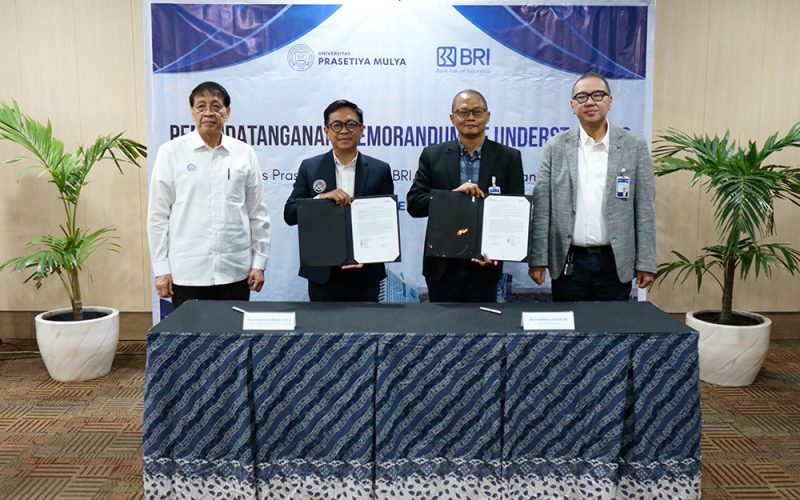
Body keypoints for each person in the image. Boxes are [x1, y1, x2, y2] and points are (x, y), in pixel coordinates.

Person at [528, 72, 656, 301]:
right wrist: (537, 259)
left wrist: (646, 262)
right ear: (572, 105)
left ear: (610, 101)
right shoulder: (556, 147)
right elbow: (542, 209)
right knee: (569, 323)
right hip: (569, 262)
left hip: (615, 261)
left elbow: (645, 209)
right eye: (582, 97)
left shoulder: (634, 146)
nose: (589, 102)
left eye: (598, 95)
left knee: (612, 323)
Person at [147, 81, 271, 309]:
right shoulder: (171, 152)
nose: (208, 113)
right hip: (188, 272)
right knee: (190, 332)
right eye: (201, 106)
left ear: (227, 112)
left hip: (235, 270)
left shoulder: (244, 153)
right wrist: (161, 268)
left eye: (216, 106)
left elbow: (257, 213)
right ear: (192, 113)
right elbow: (158, 215)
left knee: (233, 331)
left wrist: (259, 262)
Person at [407, 89, 524, 302]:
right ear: (452, 118)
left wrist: (498, 253)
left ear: (487, 116)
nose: (470, 117)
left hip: (485, 263)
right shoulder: (432, 155)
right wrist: (451, 198)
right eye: (463, 112)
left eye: (477, 112)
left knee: (482, 323)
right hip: (442, 265)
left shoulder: (509, 157)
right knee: (441, 323)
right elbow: (414, 205)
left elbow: (515, 214)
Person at [284, 99, 394, 302]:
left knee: (367, 323)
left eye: (351, 124)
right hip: (323, 273)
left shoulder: (380, 170)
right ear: (326, 131)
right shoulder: (310, 168)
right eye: (336, 125)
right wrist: (320, 198)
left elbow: (384, 223)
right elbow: (290, 214)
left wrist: (368, 256)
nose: (344, 130)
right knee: (323, 323)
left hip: (365, 273)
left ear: (362, 130)